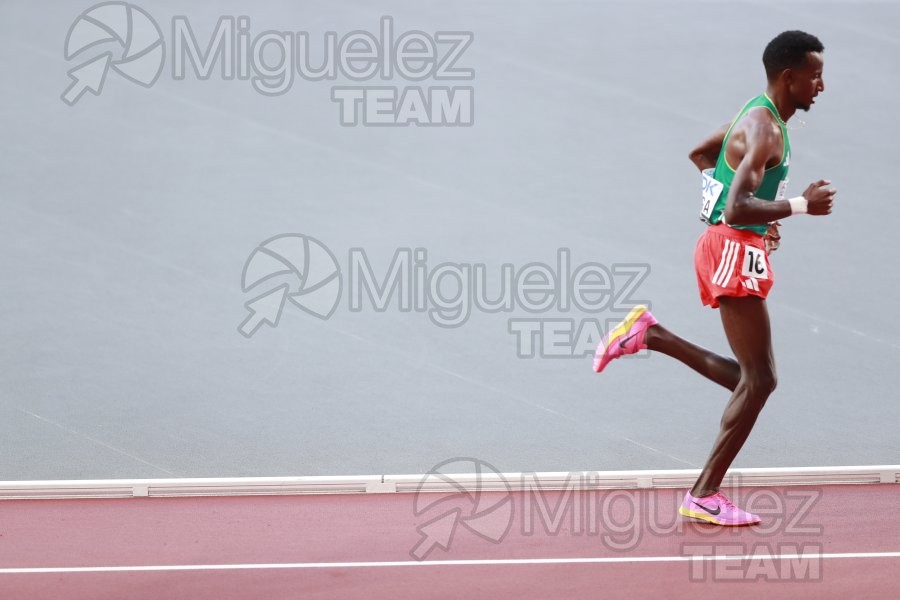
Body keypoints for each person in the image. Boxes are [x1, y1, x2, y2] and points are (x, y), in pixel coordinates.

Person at [593, 31, 835, 526]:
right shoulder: (765, 127)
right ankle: (703, 494)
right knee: (761, 379)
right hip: (730, 248)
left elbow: (703, 153)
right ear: (789, 77)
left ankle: (651, 335)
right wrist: (795, 207)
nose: (822, 85)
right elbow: (736, 203)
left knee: (755, 379)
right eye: (815, 75)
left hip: (730, 243)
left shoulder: (759, 117)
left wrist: (747, 221)